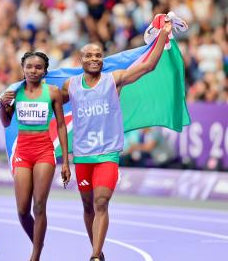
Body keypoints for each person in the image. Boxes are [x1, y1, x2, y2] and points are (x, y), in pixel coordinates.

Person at [61, 18, 175, 261]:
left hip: (107, 155)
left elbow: (148, 67)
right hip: (82, 156)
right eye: (89, 55)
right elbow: (44, 100)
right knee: (88, 207)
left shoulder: (114, 79)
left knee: (101, 203)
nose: (94, 59)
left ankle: (93, 257)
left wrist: (164, 34)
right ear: (80, 60)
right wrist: (17, 95)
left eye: (98, 55)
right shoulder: (70, 86)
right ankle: (99, 252)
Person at [0, 52, 71, 261]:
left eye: (38, 67)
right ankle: (38, 241)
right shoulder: (14, 92)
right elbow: (5, 122)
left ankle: (35, 255)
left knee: (39, 205)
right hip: (23, 151)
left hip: (44, 151)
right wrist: (3, 106)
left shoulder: (53, 92)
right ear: (23, 68)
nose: (33, 70)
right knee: (22, 210)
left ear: (45, 71)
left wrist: (65, 161)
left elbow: (61, 125)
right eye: (29, 67)